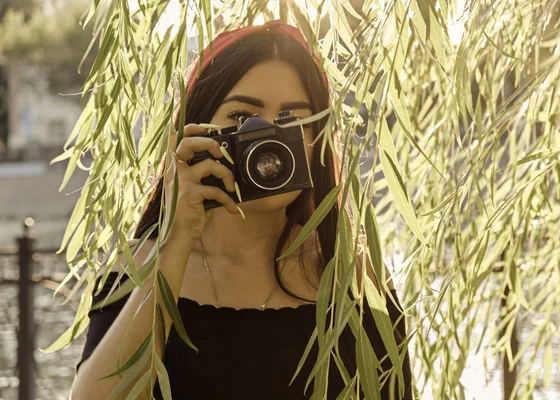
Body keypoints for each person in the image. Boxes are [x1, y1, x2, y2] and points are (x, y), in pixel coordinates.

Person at [70, 20, 412, 399]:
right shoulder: (138, 268)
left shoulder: (353, 274)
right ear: (196, 129)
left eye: (294, 120)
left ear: (319, 140)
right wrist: (176, 238)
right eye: (241, 118)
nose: (266, 139)